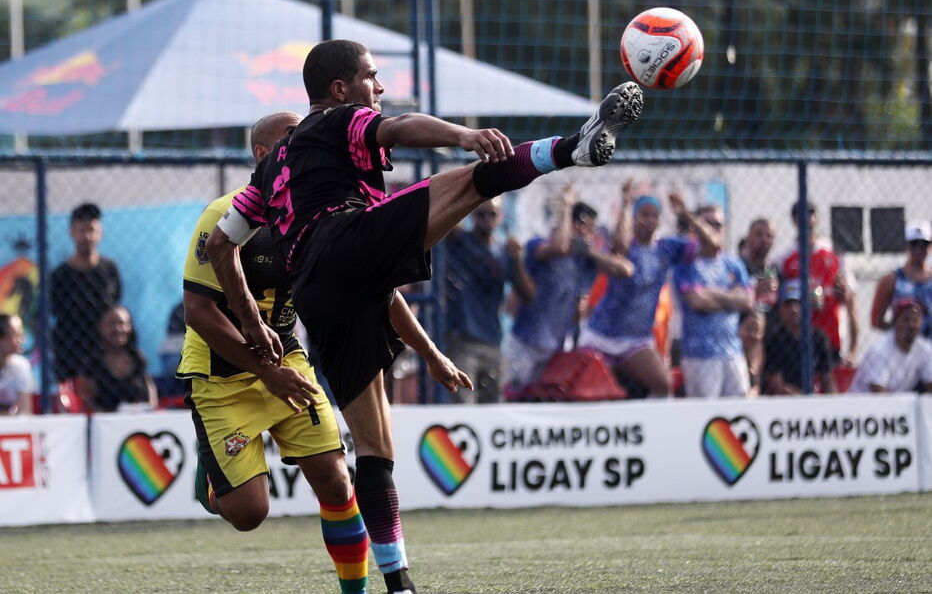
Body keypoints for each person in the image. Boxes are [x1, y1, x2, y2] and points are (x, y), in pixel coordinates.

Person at [205, 39, 643, 594]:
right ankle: (571, 148)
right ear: (340, 89)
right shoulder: (335, 120)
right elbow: (398, 127)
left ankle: (400, 584)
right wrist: (463, 135)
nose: (379, 86)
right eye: (371, 75)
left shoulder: (266, 174)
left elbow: (221, 246)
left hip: (320, 296)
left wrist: (252, 320)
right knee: (474, 177)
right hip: (345, 240)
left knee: (374, 449)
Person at [180, 111, 369, 594]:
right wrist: (265, 373)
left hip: (286, 359)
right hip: (221, 373)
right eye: (293, 137)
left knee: (337, 483)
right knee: (249, 513)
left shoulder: (312, 212)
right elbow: (197, 311)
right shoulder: (221, 215)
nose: (306, 143)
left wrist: (425, 349)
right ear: (265, 155)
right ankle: (213, 478)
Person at [579, 183, 716, 398]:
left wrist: (685, 214)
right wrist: (625, 204)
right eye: (643, 214)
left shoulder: (666, 248)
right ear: (634, 217)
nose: (649, 220)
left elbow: (712, 246)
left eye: (654, 215)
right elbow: (618, 247)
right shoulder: (626, 245)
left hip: (636, 340)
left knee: (663, 384)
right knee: (592, 391)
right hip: (601, 335)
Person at [504, 185, 635, 393]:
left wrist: (590, 251)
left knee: (547, 397)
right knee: (516, 394)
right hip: (527, 342)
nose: (590, 234)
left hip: (558, 346)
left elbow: (625, 270)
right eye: (586, 227)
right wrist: (567, 205)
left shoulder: (585, 258)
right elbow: (560, 247)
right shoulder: (539, 245)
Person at [443, 197, 535, 403]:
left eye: (492, 214)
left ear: (500, 217)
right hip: (463, 339)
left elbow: (528, 295)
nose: (486, 219)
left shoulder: (504, 252)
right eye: (481, 214)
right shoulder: (460, 242)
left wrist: (517, 261)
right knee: (463, 403)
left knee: (492, 407)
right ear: (472, 216)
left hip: (492, 339)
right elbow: (448, 220)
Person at [673, 205, 754, 398]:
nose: (713, 229)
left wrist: (712, 293)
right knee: (706, 412)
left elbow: (747, 301)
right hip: (700, 354)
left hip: (733, 352)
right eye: (707, 224)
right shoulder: (686, 265)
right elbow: (697, 302)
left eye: (718, 224)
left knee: (740, 406)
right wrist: (731, 297)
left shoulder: (733, 264)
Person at [777, 200, 859, 364]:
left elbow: (851, 299)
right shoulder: (784, 257)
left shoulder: (834, 252)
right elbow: (776, 297)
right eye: (800, 215)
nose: (806, 219)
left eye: (810, 213)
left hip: (833, 338)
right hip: (798, 342)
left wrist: (853, 349)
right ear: (794, 220)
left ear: (817, 217)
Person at [50, 203, 122, 381]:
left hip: (102, 354)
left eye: (92, 230)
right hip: (69, 354)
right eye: (81, 230)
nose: (87, 236)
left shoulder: (110, 270)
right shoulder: (59, 276)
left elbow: (115, 306)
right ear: (72, 233)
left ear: (100, 233)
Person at [762, 279, 835, 395]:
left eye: (799, 303)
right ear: (780, 309)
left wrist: (833, 402)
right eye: (788, 304)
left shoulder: (818, 338)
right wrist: (804, 399)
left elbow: (827, 378)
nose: (794, 309)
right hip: (783, 400)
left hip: (810, 398)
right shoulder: (773, 339)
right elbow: (776, 384)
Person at [80, 304, 158, 412]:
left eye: (122, 323)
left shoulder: (138, 359)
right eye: (111, 324)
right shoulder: (93, 364)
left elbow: (151, 396)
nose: (118, 329)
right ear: (101, 327)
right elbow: (86, 402)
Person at [850, 298, 932, 394]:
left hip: (896, 400)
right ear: (895, 322)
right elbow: (879, 393)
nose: (911, 325)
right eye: (906, 319)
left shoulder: (925, 348)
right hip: (863, 401)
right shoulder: (880, 350)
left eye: (915, 320)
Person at [870, 220, 932, 337]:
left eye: (924, 244)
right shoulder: (892, 280)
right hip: (903, 345)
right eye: (914, 244)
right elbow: (876, 320)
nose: (919, 249)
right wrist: (900, 332)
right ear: (907, 246)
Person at [739, 218, 779, 313]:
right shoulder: (737, 268)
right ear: (748, 238)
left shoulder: (775, 271)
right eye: (758, 234)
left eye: (769, 236)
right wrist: (757, 290)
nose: (764, 240)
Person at [0, 314, 34, 415]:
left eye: (21, 335)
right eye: (16, 335)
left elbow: (25, 411)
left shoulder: (21, 365)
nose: (21, 340)